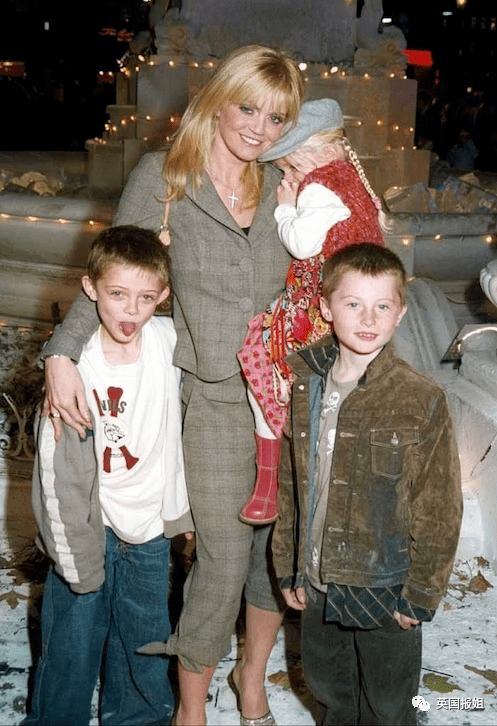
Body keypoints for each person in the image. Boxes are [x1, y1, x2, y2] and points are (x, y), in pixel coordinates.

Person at [39, 45, 304, 726]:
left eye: (277, 118)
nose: (260, 128)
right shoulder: (166, 176)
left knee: (273, 553)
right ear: (219, 100)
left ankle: (251, 676)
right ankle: (189, 710)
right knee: (222, 556)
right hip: (212, 398)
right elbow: (116, 266)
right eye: (248, 108)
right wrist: (61, 352)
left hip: (284, 396)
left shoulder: (285, 180)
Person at [272, 243, 463, 726]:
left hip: (385, 587)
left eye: (382, 306)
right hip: (318, 581)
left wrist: (421, 593)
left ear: (400, 313)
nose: (368, 318)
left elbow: (440, 507)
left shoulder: (420, 399)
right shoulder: (307, 385)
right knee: (330, 695)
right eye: (353, 303)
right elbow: (293, 485)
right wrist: (290, 566)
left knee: (389, 706)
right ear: (326, 307)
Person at [23, 226, 193, 726]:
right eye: (117, 294)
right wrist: (69, 547)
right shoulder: (75, 368)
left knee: (144, 638)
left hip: (148, 527)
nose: (130, 310)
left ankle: (139, 718)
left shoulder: (167, 342)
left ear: (163, 296)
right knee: (72, 639)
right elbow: (56, 471)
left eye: (146, 297)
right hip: (88, 525)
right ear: (90, 288)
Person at [237, 98, 384, 526]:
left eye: (289, 167)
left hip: (315, 309)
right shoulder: (352, 178)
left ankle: (267, 482)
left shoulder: (319, 185)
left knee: (260, 358)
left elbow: (302, 244)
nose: (287, 177)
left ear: (313, 154)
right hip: (347, 306)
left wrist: (286, 206)